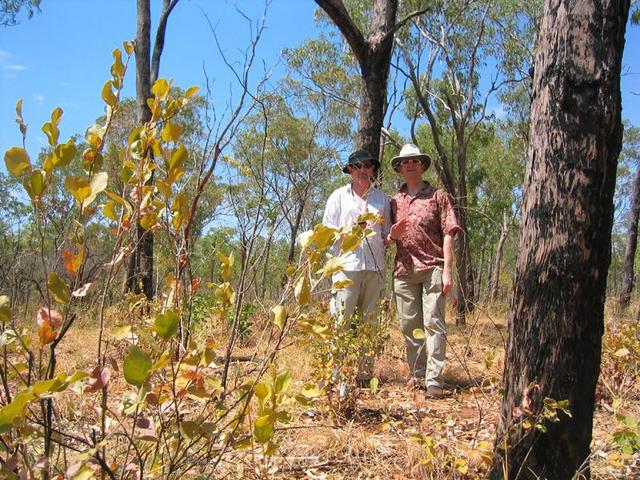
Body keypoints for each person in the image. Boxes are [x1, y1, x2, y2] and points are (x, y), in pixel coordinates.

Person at [385, 144, 460, 398]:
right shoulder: (394, 201)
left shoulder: (438, 196)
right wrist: (391, 235)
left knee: (433, 323)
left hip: (433, 268)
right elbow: (385, 237)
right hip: (403, 270)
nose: (410, 165)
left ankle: (434, 381)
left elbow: (449, 233)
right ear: (399, 168)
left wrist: (448, 270)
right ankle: (417, 375)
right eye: (406, 162)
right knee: (409, 325)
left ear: (422, 165)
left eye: (415, 160)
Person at [322, 149, 391, 383]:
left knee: (369, 324)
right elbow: (326, 233)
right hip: (345, 268)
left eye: (367, 166)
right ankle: (336, 375)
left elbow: (385, 236)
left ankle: (363, 376)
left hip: (375, 268)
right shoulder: (337, 197)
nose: (362, 170)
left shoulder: (383, 200)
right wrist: (348, 231)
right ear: (350, 170)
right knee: (340, 321)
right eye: (357, 166)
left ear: (372, 170)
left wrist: (392, 237)